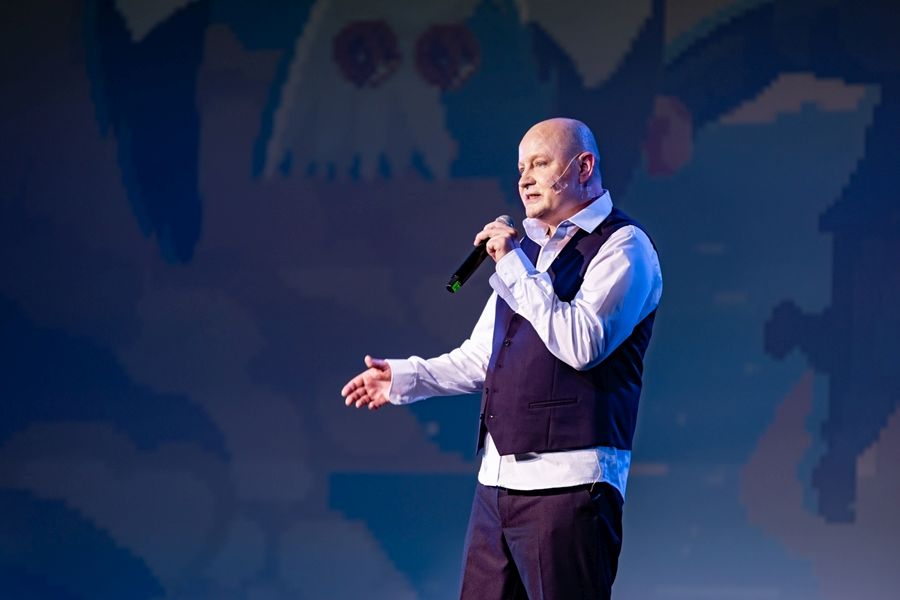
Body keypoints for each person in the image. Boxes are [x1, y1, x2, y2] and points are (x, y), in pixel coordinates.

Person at [341, 117, 663, 599]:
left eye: (540, 164)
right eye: (520, 169)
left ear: (584, 167)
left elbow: (583, 344)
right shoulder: (528, 254)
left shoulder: (624, 246)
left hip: (570, 485)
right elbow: (482, 358)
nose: (525, 179)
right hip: (496, 485)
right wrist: (405, 378)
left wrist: (514, 265)